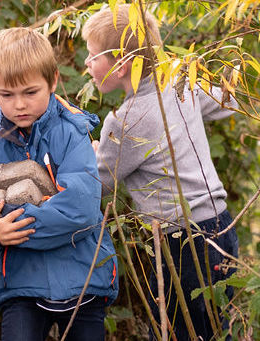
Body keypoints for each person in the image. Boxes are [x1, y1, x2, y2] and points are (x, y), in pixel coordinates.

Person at [81, 4, 240, 340]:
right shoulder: (181, 86)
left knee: (177, 331)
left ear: (121, 65)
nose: (87, 63)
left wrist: (95, 154)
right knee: (217, 328)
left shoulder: (125, 122)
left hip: (182, 243)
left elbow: (97, 184)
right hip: (222, 226)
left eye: (93, 55)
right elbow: (229, 102)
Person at [0, 27, 118, 340]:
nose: (19, 105)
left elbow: (80, 211)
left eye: (30, 92)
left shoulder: (72, 133)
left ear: (52, 82)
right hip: (21, 287)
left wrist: (11, 226)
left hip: (83, 279)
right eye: (7, 95)